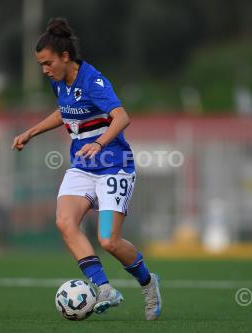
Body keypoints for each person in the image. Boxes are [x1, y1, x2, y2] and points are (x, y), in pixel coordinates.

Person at [12, 18, 162, 320]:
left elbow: (122, 117)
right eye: (41, 64)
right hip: (82, 167)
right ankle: (103, 288)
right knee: (65, 222)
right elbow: (65, 112)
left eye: (47, 63)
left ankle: (148, 283)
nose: (44, 70)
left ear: (65, 57)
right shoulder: (59, 81)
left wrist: (100, 143)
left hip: (113, 166)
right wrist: (31, 132)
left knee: (109, 241)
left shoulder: (93, 81)